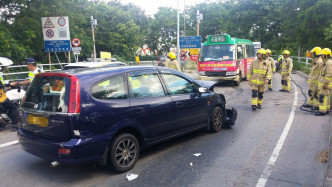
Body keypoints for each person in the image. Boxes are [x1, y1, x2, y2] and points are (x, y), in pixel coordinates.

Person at [0, 65, 20, 131]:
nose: (4, 69)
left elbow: (2, 85)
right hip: (1, 98)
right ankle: (15, 125)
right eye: (3, 68)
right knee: (14, 108)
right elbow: (1, 86)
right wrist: (9, 85)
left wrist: (7, 86)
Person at [315, 48, 332, 116]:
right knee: (326, 96)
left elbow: (329, 74)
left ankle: (322, 110)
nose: (321, 56)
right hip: (325, 83)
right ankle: (326, 109)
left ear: (327, 55)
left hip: (326, 84)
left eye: (323, 55)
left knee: (323, 96)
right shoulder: (326, 62)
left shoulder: (328, 63)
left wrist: (325, 83)